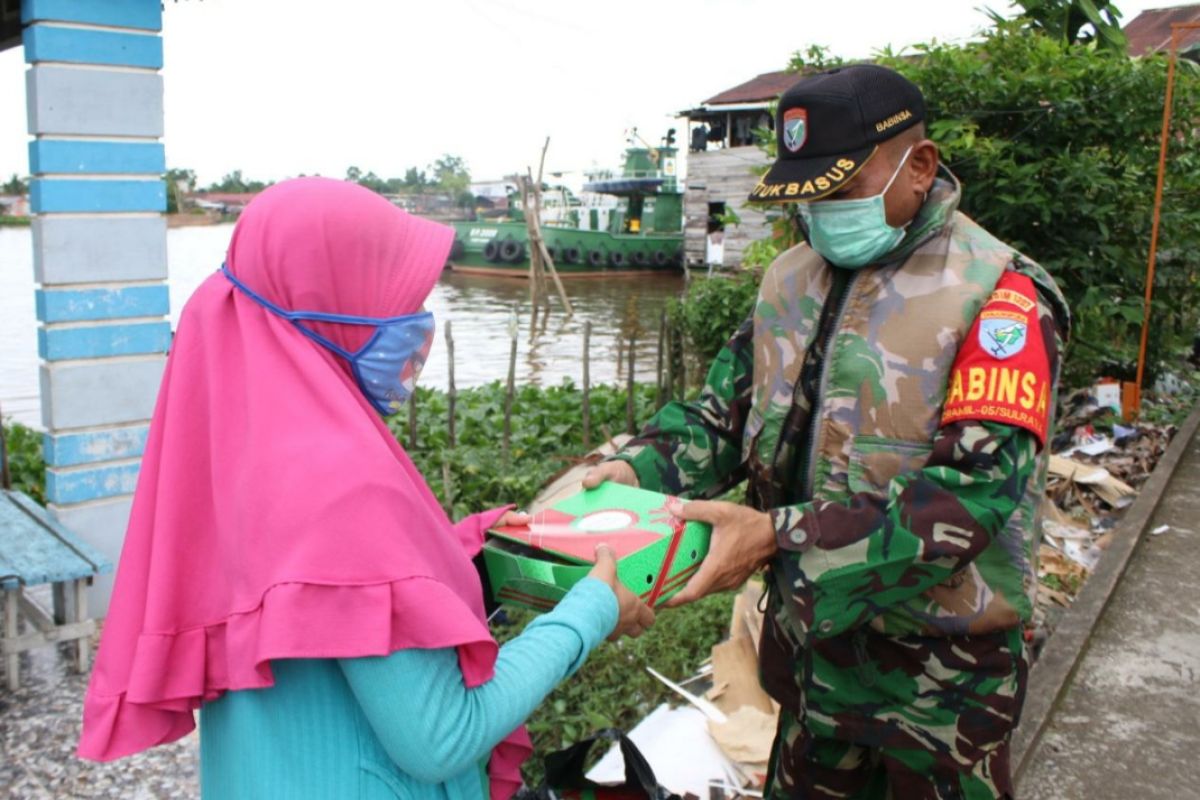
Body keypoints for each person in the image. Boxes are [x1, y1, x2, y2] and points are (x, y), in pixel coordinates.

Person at [78, 177, 655, 799]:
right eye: (397, 300)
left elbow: (331, 592)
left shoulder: (241, 451)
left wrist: (472, 551)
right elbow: (441, 736)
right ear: (326, 302)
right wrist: (591, 610)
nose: (418, 327)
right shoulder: (341, 481)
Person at [585, 64, 1070, 799]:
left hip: (943, 690)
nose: (819, 212)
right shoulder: (789, 281)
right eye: (804, 195)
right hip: (811, 662)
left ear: (920, 167)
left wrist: (774, 536)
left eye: (839, 191)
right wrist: (640, 472)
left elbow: (968, 498)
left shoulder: (998, 297)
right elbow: (722, 415)